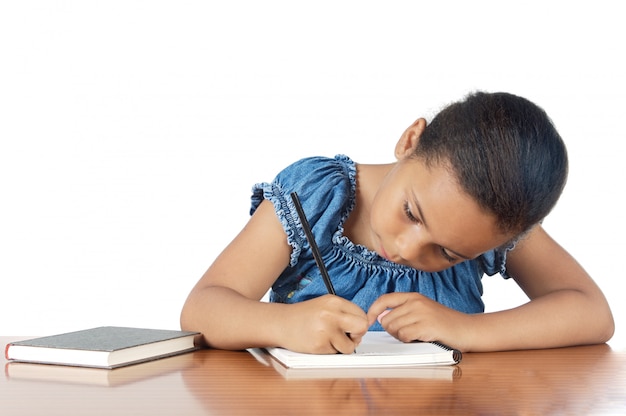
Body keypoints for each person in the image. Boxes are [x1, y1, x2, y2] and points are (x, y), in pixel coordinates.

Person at [180, 92, 614, 354]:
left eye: (446, 253)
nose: (408, 249)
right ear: (410, 140)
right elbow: (202, 308)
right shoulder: (316, 196)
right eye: (412, 213)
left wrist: (464, 328)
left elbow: (592, 312)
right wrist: (281, 325)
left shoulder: (492, 223)